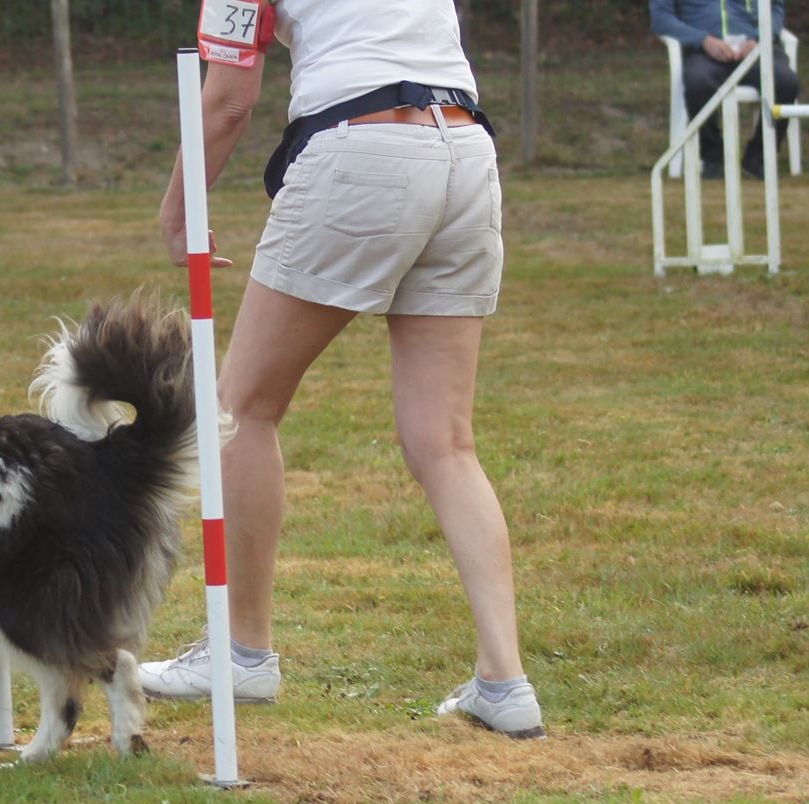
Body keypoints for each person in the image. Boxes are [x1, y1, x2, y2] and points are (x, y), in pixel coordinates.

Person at [138, 0, 544, 739]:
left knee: (240, 409)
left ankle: (243, 654)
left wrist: (176, 210)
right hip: (464, 147)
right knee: (447, 443)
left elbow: (229, 101)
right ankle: (505, 680)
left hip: (363, 150)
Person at [650, 0, 800, 180]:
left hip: (753, 52)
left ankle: (759, 157)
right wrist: (703, 40)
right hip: (703, 53)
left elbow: (775, 7)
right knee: (697, 82)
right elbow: (661, 19)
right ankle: (712, 156)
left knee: (786, 83)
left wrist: (758, 39)